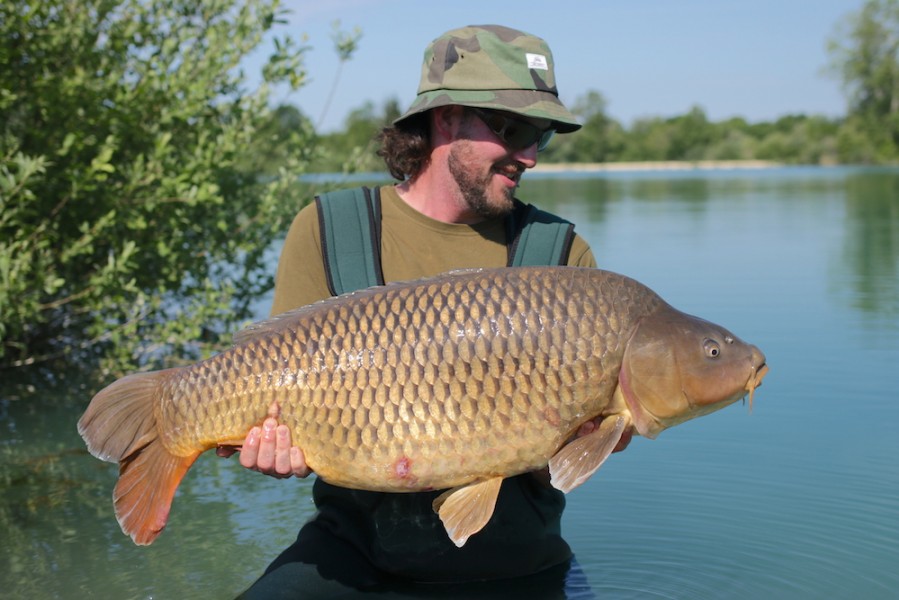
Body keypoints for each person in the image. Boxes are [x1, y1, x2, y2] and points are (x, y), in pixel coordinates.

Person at [221, 24, 631, 599]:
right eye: (513, 129)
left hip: (513, 558)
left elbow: (554, 473)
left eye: (543, 135)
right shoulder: (330, 230)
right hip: (352, 553)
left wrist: (586, 440)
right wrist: (273, 442)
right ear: (445, 119)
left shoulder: (560, 258)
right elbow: (277, 394)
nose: (530, 156)